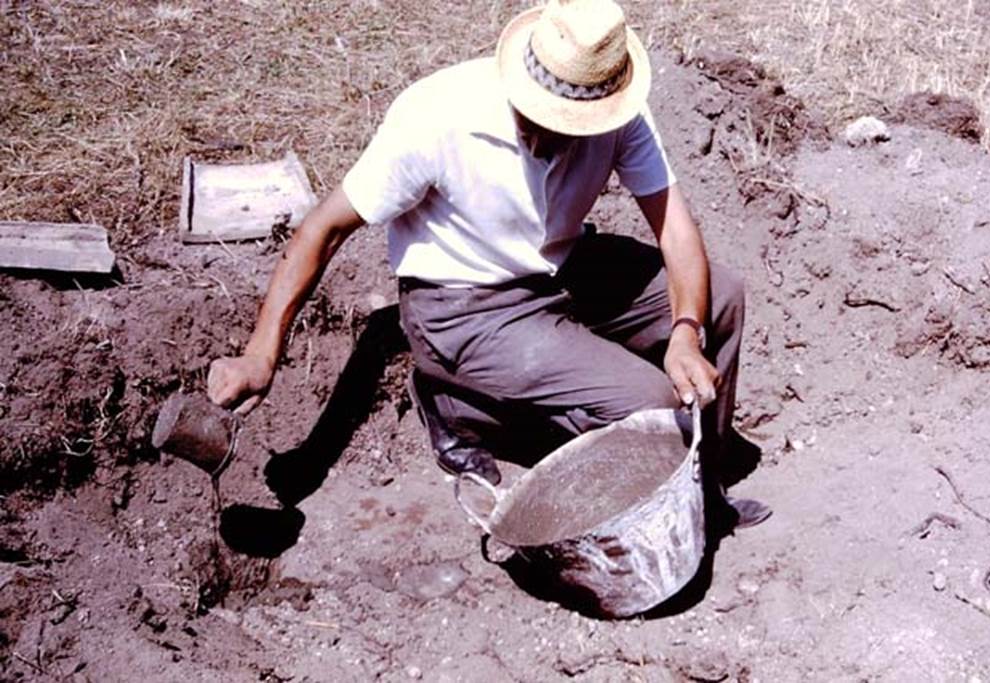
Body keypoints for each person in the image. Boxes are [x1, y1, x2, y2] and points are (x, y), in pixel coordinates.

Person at [207, 0, 769, 529]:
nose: (555, 133)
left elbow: (675, 228)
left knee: (720, 295)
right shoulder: (437, 118)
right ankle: (455, 402)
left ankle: (701, 488)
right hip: (465, 304)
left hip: (560, 265)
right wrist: (262, 354)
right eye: (543, 117)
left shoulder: (616, 108)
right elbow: (322, 230)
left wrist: (686, 331)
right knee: (650, 402)